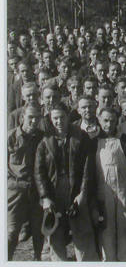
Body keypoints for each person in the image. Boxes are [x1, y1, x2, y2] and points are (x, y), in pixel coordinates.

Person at [34, 103, 99, 261]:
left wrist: (82, 194)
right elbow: (39, 171)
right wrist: (45, 197)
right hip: (54, 191)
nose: (59, 121)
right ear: (50, 119)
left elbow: (87, 168)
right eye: (55, 118)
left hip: (75, 189)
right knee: (55, 234)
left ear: (68, 117)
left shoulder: (80, 136)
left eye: (62, 117)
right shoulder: (44, 141)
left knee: (82, 233)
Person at [94, 107, 126, 261]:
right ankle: (108, 259)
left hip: (124, 187)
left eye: (112, 121)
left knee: (124, 223)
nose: (109, 124)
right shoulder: (93, 141)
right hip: (103, 188)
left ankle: (125, 258)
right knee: (106, 226)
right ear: (99, 119)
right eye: (105, 120)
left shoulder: (125, 141)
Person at [8, 103, 45, 261]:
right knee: (11, 231)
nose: (34, 121)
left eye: (37, 118)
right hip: (15, 189)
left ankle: (37, 259)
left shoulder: (42, 138)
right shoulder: (10, 137)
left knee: (39, 231)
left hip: (36, 189)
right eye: (30, 117)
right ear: (22, 117)